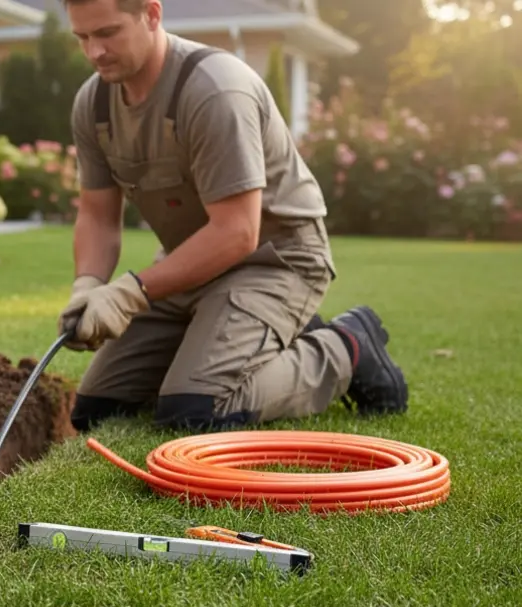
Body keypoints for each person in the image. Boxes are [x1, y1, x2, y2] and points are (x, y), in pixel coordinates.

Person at [57, 0, 408, 432]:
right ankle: (250, 336)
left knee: (194, 412)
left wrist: (129, 293)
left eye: (107, 33)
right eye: (82, 38)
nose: (95, 52)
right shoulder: (93, 105)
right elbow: (97, 215)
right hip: (189, 267)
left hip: (275, 262)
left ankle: (344, 348)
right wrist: (88, 285)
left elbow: (239, 232)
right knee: (98, 409)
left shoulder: (214, 90)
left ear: (151, 14)